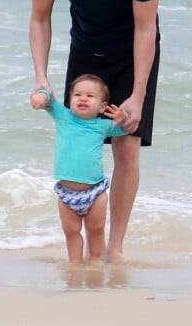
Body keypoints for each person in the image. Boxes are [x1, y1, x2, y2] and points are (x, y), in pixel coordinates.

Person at [29, 0, 162, 262]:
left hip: (134, 52)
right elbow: (40, 18)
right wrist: (41, 77)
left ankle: (113, 248)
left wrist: (137, 94)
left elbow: (145, 28)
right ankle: (77, 244)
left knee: (126, 147)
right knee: (79, 137)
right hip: (86, 50)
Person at [32, 74, 129, 263]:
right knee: (71, 232)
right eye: (77, 95)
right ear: (70, 100)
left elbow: (124, 130)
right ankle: (75, 264)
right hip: (66, 194)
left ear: (102, 107)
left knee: (96, 229)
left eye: (90, 96)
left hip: (95, 193)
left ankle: (95, 262)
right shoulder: (63, 116)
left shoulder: (103, 125)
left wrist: (123, 118)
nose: (83, 98)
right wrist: (40, 96)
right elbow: (49, 99)